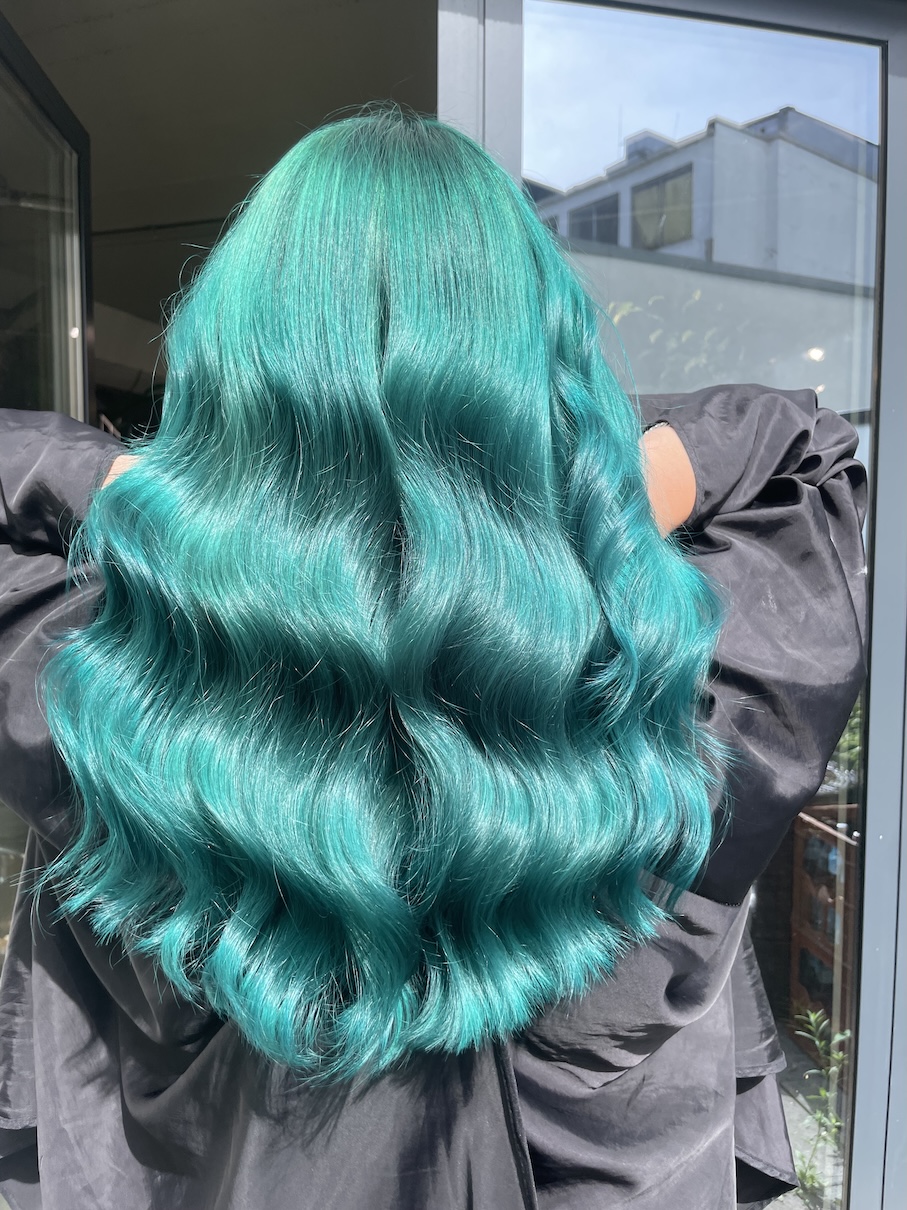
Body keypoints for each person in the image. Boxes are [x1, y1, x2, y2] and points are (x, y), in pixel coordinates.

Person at [0, 108, 866, 1209]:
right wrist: (577, 504)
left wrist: (162, 500)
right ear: (537, 368)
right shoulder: (670, 684)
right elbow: (801, 448)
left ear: (234, 371)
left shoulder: (115, 684)